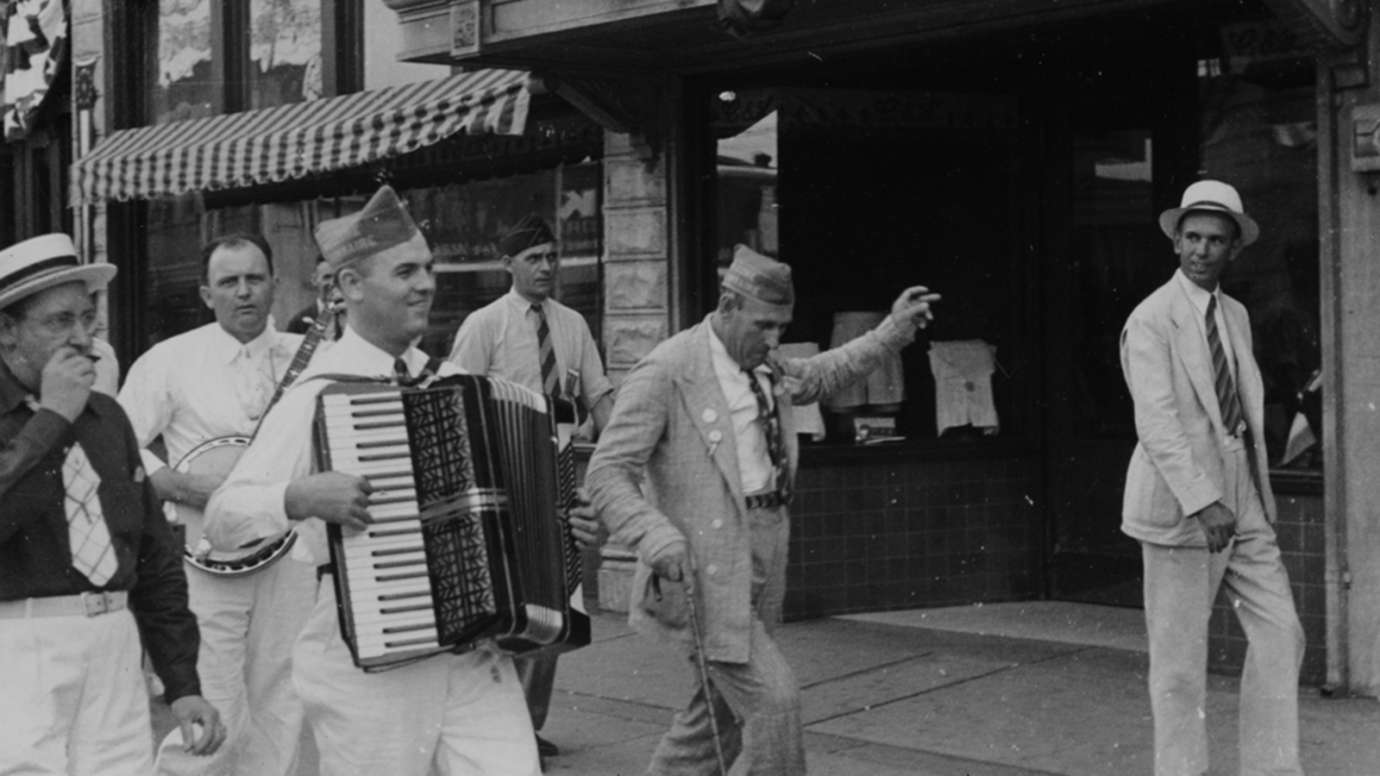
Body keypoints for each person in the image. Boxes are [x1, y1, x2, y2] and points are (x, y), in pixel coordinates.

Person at [203, 185, 541, 776]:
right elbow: (222, 520)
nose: (426, 284)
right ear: (352, 287)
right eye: (406, 271)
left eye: (429, 269)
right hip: (368, 661)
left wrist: (557, 517)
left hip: (471, 652)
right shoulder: (318, 393)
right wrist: (298, 497)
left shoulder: (454, 382)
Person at [586, 244, 939, 775]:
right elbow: (607, 471)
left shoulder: (763, 363)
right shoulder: (668, 370)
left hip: (763, 553)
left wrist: (891, 332)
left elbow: (821, 375)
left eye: (781, 326)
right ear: (727, 307)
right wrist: (654, 537)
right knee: (774, 703)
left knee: (715, 721)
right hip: (703, 569)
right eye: (764, 325)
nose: (775, 339)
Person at [0, 233, 225, 775]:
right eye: (58, 322)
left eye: (87, 317)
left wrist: (181, 683)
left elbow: (152, 554)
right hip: (20, 641)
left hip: (114, 640)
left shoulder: (109, 418)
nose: (81, 338)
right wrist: (52, 417)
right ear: (7, 333)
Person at [1119, 179, 1305, 776]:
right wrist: (1203, 501)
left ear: (1234, 249)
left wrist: (1241, 492)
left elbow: (1242, 409)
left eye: (1215, 240)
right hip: (1181, 503)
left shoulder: (1236, 314)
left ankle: (1271, 768)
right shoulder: (1150, 320)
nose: (1201, 250)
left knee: (1283, 634)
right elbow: (1158, 425)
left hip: (1243, 492)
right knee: (1177, 666)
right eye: (1192, 238)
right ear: (1176, 242)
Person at [117, 233, 317, 776]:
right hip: (206, 560)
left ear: (275, 284)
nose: (244, 292)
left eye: (255, 279)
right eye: (229, 282)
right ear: (207, 294)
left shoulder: (311, 358)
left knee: (285, 701)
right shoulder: (171, 360)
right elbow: (118, 442)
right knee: (212, 703)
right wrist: (182, 486)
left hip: (292, 554)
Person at [447, 213, 614, 760]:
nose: (546, 267)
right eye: (533, 258)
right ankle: (496, 728)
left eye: (551, 257)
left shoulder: (572, 324)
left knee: (557, 603)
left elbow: (600, 398)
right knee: (508, 604)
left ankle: (527, 723)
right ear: (507, 265)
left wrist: (627, 453)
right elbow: (454, 404)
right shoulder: (484, 324)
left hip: (560, 479)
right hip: (503, 481)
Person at [286, 255, 335, 335]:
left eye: (336, 277)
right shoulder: (298, 322)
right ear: (314, 280)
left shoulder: (352, 319)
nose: (333, 283)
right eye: (327, 277)